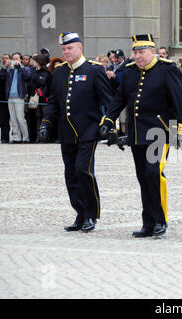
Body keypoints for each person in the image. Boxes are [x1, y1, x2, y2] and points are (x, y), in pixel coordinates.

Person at [99, 34, 182, 238]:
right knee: (143, 177)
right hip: (137, 133)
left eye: (142, 52)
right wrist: (108, 120)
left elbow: (178, 102)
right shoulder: (129, 71)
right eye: (135, 52)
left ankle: (160, 219)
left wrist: (175, 131)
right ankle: (148, 223)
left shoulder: (166, 69)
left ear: (152, 52)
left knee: (153, 174)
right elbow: (119, 99)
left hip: (159, 132)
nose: (138, 56)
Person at [38, 32, 113, 232]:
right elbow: (54, 101)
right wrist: (46, 124)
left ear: (79, 47)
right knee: (70, 174)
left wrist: (109, 123)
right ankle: (79, 212)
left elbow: (108, 100)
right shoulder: (60, 72)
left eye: (70, 48)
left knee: (83, 170)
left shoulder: (94, 70)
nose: (66, 52)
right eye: (63, 49)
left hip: (88, 130)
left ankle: (91, 214)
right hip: (66, 133)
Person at [4, 52, 32, 143]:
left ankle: (25, 137)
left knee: (20, 118)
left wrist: (21, 67)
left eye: (17, 58)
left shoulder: (25, 69)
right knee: (13, 119)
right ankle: (17, 137)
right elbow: (2, 76)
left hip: (19, 97)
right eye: (14, 58)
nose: (15, 60)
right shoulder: (9, 70)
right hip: (10, 97)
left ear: (20, 60)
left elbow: (28, 76)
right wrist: (6, 66)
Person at [28, 54, 52, 143]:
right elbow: (30, 84)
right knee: (35, 117)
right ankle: (36, 137)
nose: (32, 63)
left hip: (44, 97)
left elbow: (42, 82)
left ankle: (44, 137)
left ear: (38, 62)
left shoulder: (47, 72)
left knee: (44, 117)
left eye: (34, 61)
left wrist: (36, 81)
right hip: (35, 97)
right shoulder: (32, 71)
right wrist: (36, 81)